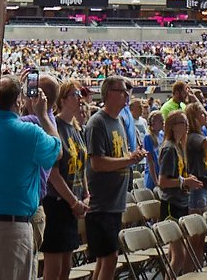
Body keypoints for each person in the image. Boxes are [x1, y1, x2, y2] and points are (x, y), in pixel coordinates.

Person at [0, 75, 59, 280]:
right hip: (13, 230)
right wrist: (43, 115)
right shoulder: (30, 132)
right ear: (19, 101)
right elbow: (57, 150)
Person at [82, 75, 145, 280]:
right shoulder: (97, 123)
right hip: (102, 204)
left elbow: (119, 155)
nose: (126, 95)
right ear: (109, 94)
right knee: (109, 258)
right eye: (122, 91)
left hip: (114, 202)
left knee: (106, 259)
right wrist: (128, 161)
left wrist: (132, 157)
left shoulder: (118, 121)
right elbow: (97, 163)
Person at [40, 81, 89, 280]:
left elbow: (81, 165)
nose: (80, 98)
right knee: (54, 268)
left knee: (66, 269)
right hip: (58, 203)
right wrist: (74, 202)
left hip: (73, 203)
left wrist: (86, 195)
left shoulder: (76, 128)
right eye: (75, 94)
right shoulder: (55, 126)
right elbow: (53, 173)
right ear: (62, 100)